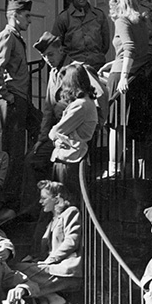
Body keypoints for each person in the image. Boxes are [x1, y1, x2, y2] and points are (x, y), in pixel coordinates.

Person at [22, 32, 107, 214]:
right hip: (58, 135)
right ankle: (36, 207)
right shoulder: (53, 74)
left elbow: (99, 94)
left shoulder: (77, 69)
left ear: (61, 50)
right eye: (44, 57)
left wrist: (98, 124)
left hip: (75, 135)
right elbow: (48, 110)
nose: (48, 60)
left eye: (51, 54)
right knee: (32, 159)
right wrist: (41, 139)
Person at [0, 0, 40, 208]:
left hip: (20, 99)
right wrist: (4, 95)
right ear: (15, 15)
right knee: (11, 151)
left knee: (40, 126)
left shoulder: (16, 38)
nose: (30, 20)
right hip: (12, 100)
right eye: (26, 16)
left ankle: (21, 194)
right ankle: (7, 201)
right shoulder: (7, 36)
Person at [99, 0, 150, 178]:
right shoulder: (142, 22)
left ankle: (113, 167)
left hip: (124, 76)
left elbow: (129, 48)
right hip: (138, 76)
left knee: (115, 126)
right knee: (130, 125)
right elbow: (136, 51)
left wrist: (122, 76)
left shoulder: (122, 20)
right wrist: (112, 63)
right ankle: (134, 170)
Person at [17, 180, 83, 304]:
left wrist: (50, 260)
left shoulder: (71, 212)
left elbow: (72, 241)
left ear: (56, 199)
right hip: (54, 267)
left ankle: (50, 300)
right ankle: (53, 299)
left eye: (44, 198)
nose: (40, 202)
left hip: (65, 269)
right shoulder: (52, 219)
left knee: (17, 271)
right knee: (15, 270)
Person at [48, 64, 98, 203]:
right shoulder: (87, 102)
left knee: (65, 203)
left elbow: (55, 131)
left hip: (69, 160)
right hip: (72, 158)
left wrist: (56, 138)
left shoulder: (81, 105)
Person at [51, 0, 111, 69]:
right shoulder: (64, 18)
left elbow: (105, 45)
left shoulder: (99, 15)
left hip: (96, 66)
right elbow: (55, 47)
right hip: (73, 69)